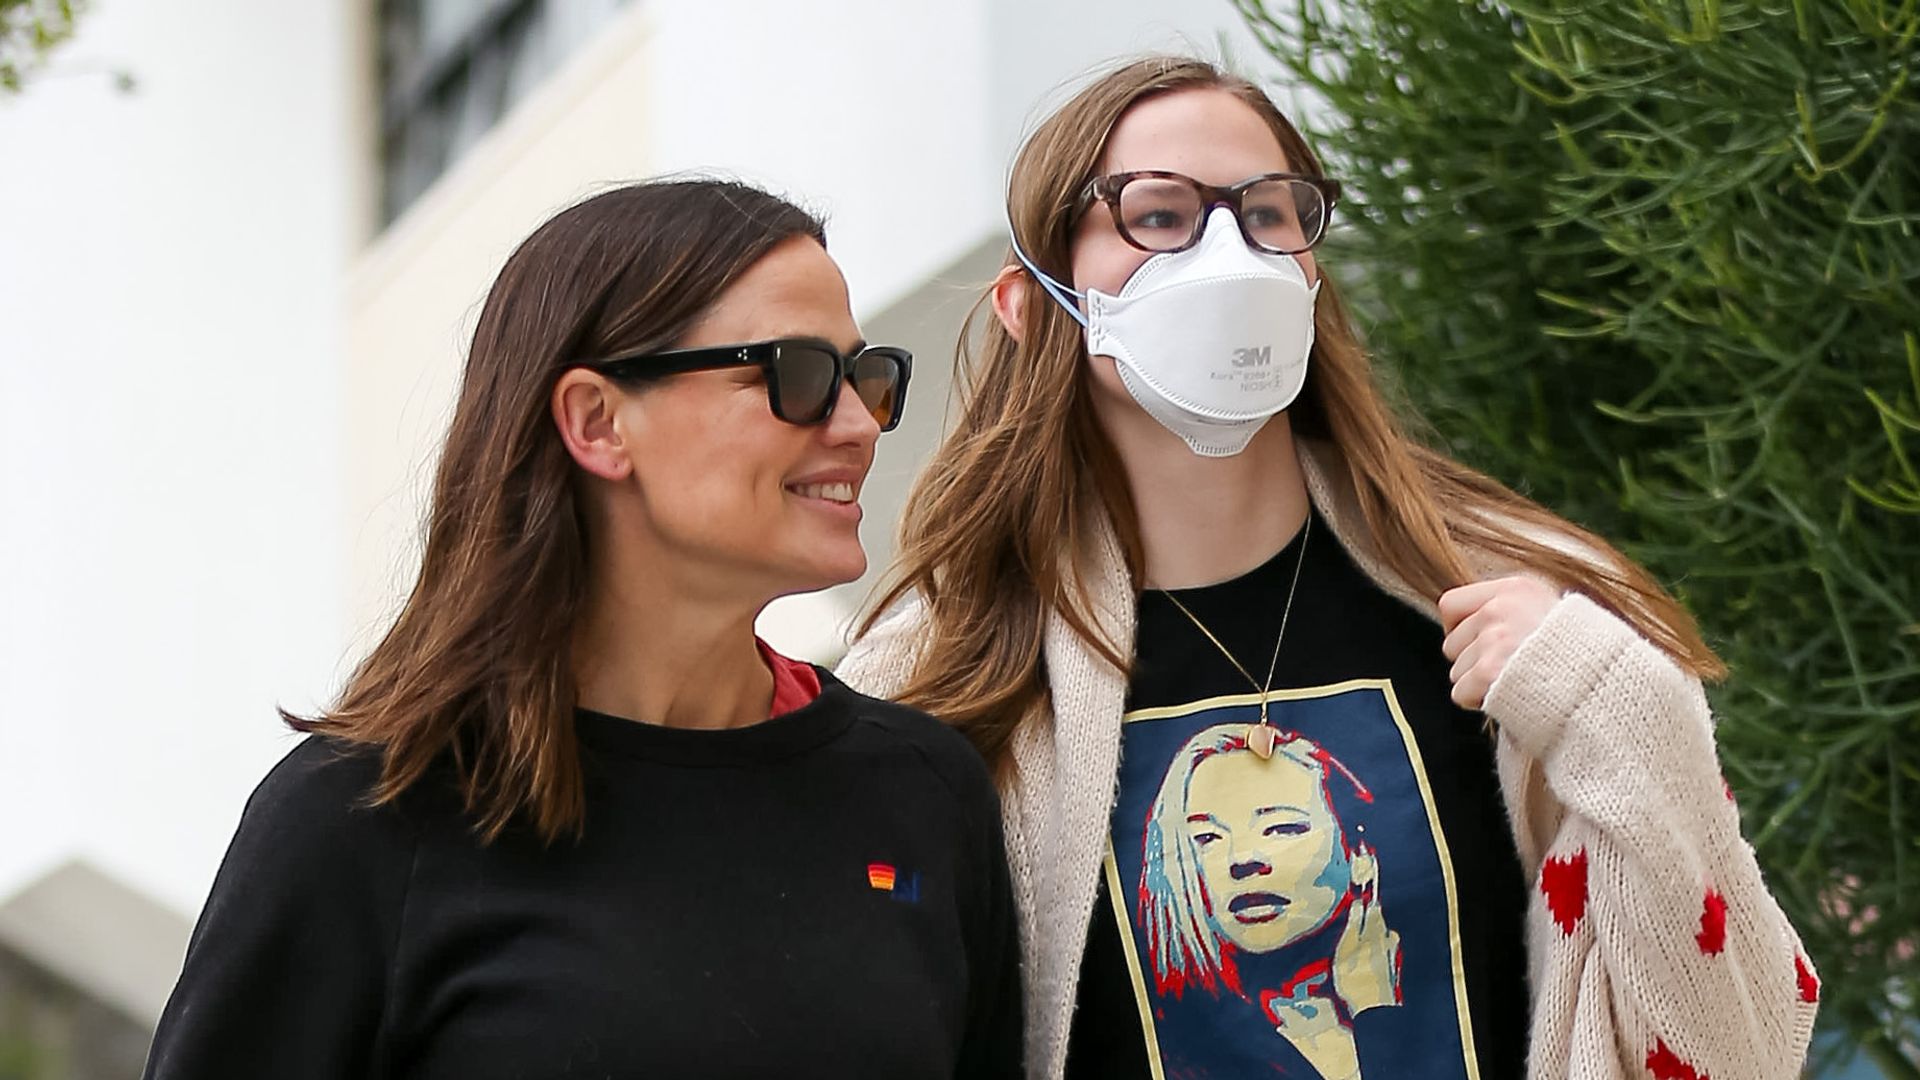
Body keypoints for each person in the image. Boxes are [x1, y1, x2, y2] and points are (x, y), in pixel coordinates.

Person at [838, 57, 1817, 1080]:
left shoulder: (1531, 620)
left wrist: (1624, 706)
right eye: (1160, 217)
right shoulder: (937, 671)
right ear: (1029, 302)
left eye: (1269, 214)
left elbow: (1739, 1049)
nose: (1228, 253)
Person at [143, 179, 1021, 1080]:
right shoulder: (365, 817)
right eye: (797, 375)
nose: (858, 425)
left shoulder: (923, 791)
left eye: (866, 379)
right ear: (597, 422)